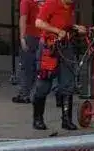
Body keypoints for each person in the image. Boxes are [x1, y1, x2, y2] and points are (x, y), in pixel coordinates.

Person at [32, 0, 86, 130]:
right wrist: (56, 31)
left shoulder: (71, 5)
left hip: (65, 46)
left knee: (68, 83)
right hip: (49, 47)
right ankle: (37, 119)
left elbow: (65, 24)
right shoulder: (51, 3)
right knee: (44, 83)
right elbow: (38, 22)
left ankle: (66, 120)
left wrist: (75, 27)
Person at [12, 0, 42, 104]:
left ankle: (24, 95)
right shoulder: (46, 2)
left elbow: (23, 19)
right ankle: (36, 94)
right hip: (43, 37)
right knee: (39, 68)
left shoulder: (26, 1)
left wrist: (22, 38)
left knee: (26, 67)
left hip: (30, 36)